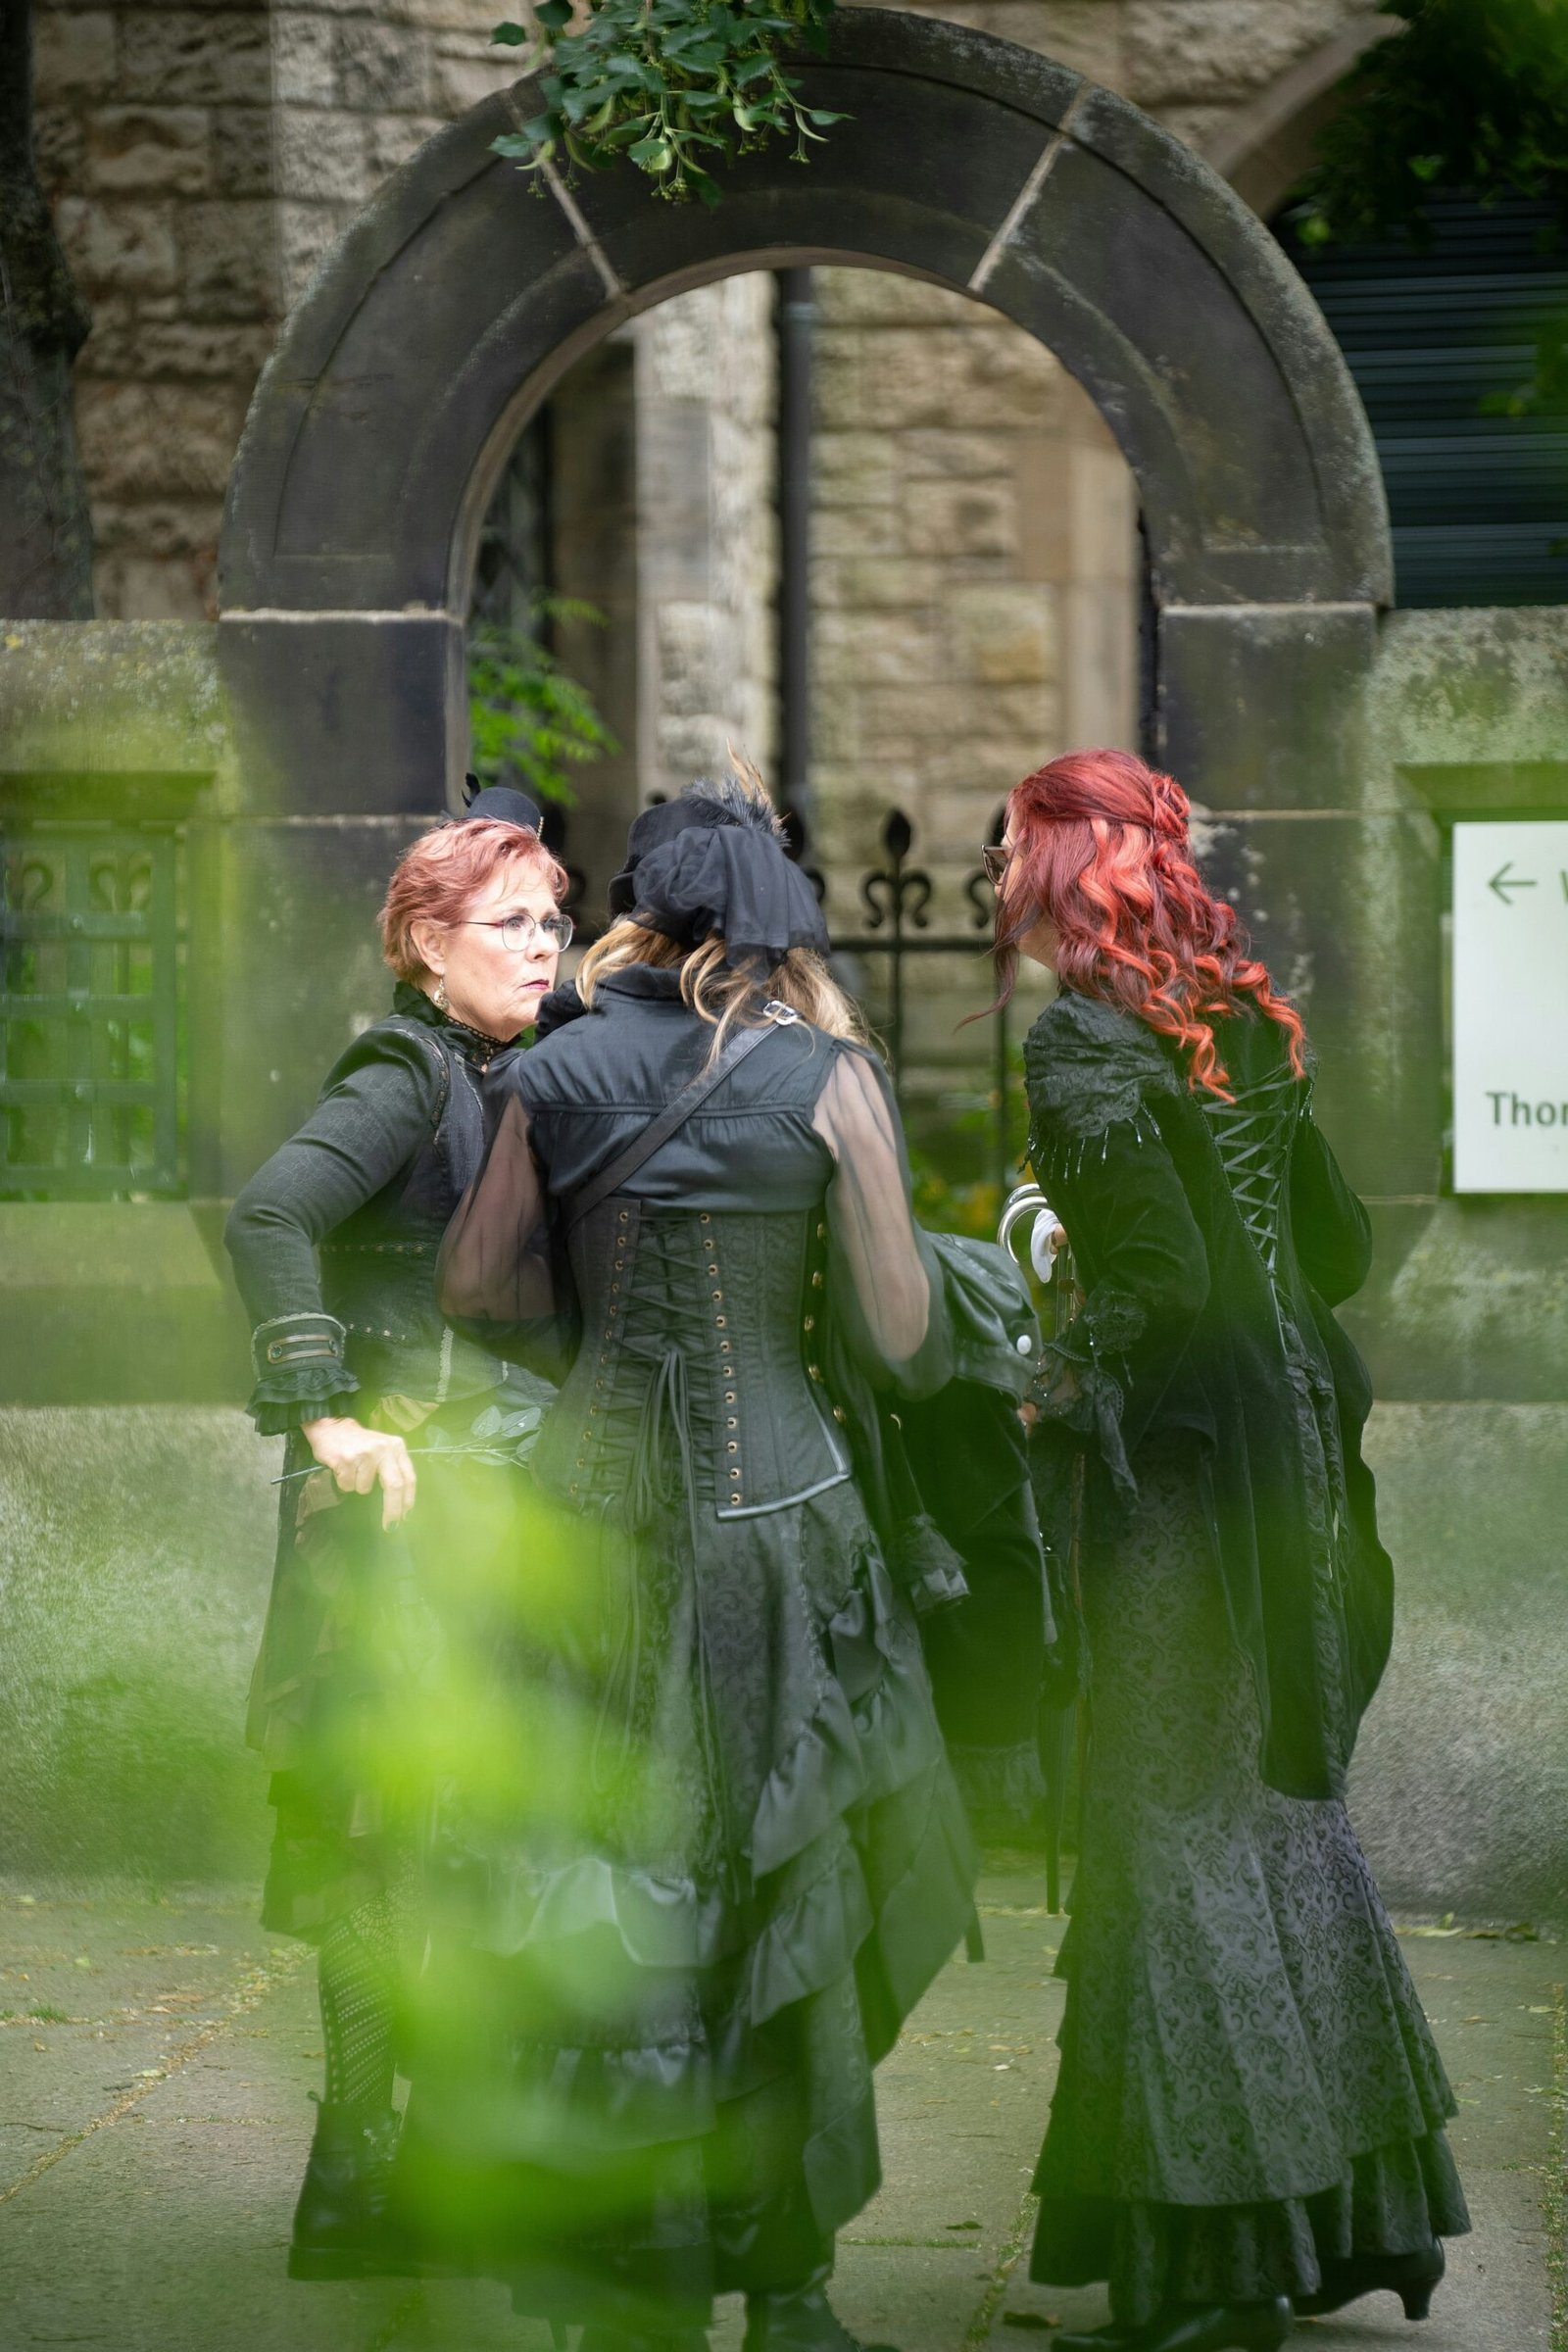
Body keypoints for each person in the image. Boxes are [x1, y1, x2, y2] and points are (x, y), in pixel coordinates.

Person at [416, 771, 979, 2351]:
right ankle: (790, 2290)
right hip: (777, 1526)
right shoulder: (826, 1074)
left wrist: (604, 1328)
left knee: (608, 1888)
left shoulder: (559, 1064)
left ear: (646, 912)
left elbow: (481, 1294)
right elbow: (904, 1335)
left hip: (594, 1527)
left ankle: (622, 2280)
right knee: (780, 1878)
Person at [991, 751, 1469, 2352]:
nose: (1000, 864)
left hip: (1188, 1491)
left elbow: (1161, 1296)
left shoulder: (1080, 1040)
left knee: (1174, 1829)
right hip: (1300, 1462)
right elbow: (1326, 1247)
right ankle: (1336, 2217)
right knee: (1274, 1809)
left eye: (1017, 840)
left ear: (1067, 866)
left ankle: (1222, 2263)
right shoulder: (1238, 1014)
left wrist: (1044, 1379)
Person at [223, 786, 571, 2279]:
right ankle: (361, 2175)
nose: (546, 948)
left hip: (477, 1507)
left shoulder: (503, 1065)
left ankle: (404, 2171)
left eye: (557, 921)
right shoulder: (405, 1068)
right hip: (392, 1513)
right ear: (429, 943)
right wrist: (326, 1412)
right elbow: (269, 1216)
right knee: (381, 1848)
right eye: (514, 926)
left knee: (454, 1840)